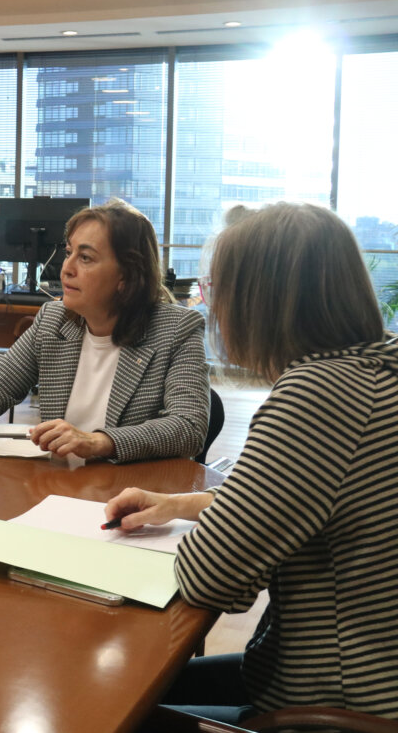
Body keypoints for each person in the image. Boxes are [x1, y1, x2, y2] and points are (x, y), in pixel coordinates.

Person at [106, 202, 398, 722]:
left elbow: (210, 576)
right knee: (127, 683)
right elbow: (312, 498)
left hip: (341, 704)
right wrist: (180, 504)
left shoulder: (318, 394)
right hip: (350, 670)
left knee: (101, 704)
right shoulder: (376, 369)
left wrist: (213, 525)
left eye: (216, 289)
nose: (214, 307)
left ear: (260, 300)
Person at [0, 199, 209, 462]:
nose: (66, 269)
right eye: (68, 252)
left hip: (135, 484)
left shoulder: (177, 329)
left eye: (85, 258)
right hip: (62, 481)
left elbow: (189, 427)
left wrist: (100, 442)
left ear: (127, 275)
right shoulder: (53, 321)